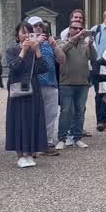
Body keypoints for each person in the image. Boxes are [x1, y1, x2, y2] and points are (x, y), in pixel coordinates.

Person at [5, 22, 49, 167]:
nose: (25, 35)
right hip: (17, 88)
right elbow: (14, 68)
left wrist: (37, 50)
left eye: (28, 32)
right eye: (22, 32)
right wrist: (23, 51)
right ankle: (19, 154)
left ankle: (30, 153)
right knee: (18, 119)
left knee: (32, 119)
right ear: (17, 35)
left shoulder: (35, 50)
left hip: (33, 88)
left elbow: (43, 69)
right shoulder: (11, 50)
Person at [56, 16, 96, 150]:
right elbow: (61, 53)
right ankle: (62, 138)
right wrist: (75, 39)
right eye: (75, 28)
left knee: (80, 111)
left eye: (80, 28)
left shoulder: (85, 44)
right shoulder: (61, 42)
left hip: (83, 82)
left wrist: (90, 45)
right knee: (66, 110)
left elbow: (93, 57)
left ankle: (77, 137)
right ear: (69, 29)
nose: (78, 30)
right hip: (66, 82)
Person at [32, 20, 65, 156]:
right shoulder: (28, 42)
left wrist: (54, 44)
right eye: (36, 26)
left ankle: (47, 142)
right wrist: (36, 42)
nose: (39, 28)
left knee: (51, 114)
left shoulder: (50, 43)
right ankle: (33, 143)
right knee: (34, 115)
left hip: (51, 82)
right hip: (35, 84)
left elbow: (62, 59)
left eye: (41, 26)